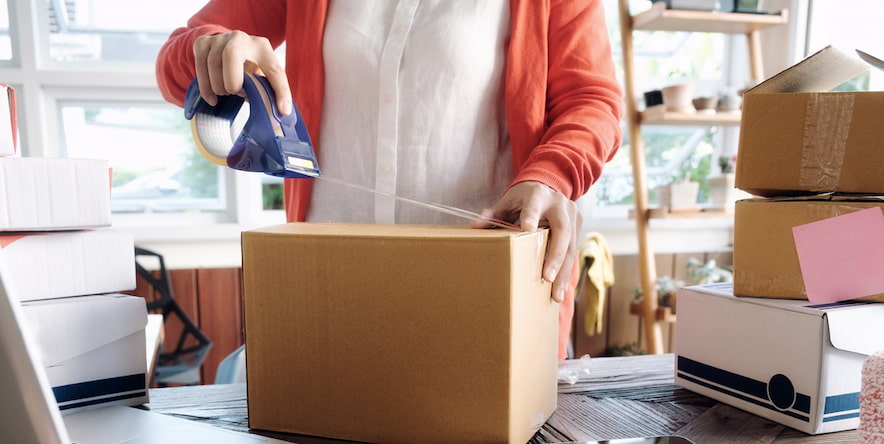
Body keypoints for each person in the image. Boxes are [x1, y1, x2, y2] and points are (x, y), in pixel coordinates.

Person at [156, 1, 623, 357]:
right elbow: (176, 64)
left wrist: (551, 175)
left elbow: (594, 99)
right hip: (327, 297)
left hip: (490, 303)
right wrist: (211, 49)